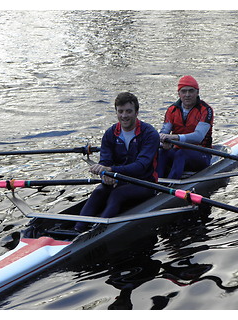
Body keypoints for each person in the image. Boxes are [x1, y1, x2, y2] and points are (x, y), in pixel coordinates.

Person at [74, 92, 160, 234]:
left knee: (117, 195)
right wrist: (105, 175)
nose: (124, 116)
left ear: (136, 112)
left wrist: (110, 170)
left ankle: (95, 233)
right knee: (98, 192)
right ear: (116, 112)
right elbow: (105, 161)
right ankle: (77, 230)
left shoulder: (150, 134)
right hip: (118, 180)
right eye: (120, 112)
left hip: (145, 183)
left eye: (128, 111)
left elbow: (141, 166)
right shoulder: (110, 133)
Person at [157, 75, 214, 179]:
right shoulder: (172, 110)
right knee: (160, 152)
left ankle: (170, 186)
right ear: (179, 94)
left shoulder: (206, 110)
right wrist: (162, 141)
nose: (187, 95)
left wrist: (174, 137)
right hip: (178, 151)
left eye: (191, 91)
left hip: (202, 153)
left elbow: (198, 136)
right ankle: (154, 184)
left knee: (181, 154)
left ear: (197, 93)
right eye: (184, 91)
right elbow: (164, 132)